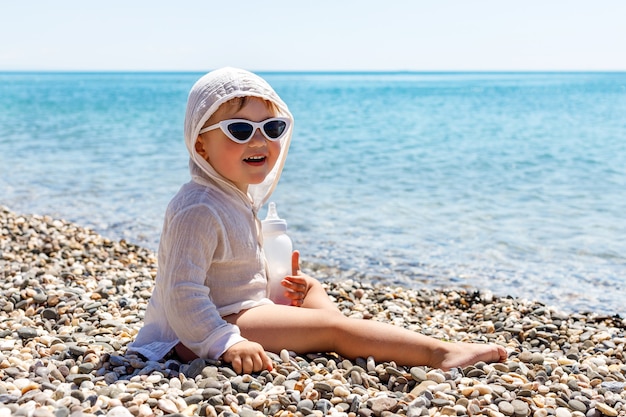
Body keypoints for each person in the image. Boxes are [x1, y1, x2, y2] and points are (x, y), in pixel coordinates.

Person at [128, 67, 507, 374]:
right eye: (240, 130)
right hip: (199, 330)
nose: (258, 140)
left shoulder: (232, 195)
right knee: (332, 329)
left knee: (311, 292)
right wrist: (227, 342)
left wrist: (276, 281)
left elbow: (231, 271)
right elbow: (182, 292)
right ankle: (439, 353)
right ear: (200, 145)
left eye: (271, 128)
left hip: (240, 308)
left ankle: (345, 338)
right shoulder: (199, 206)